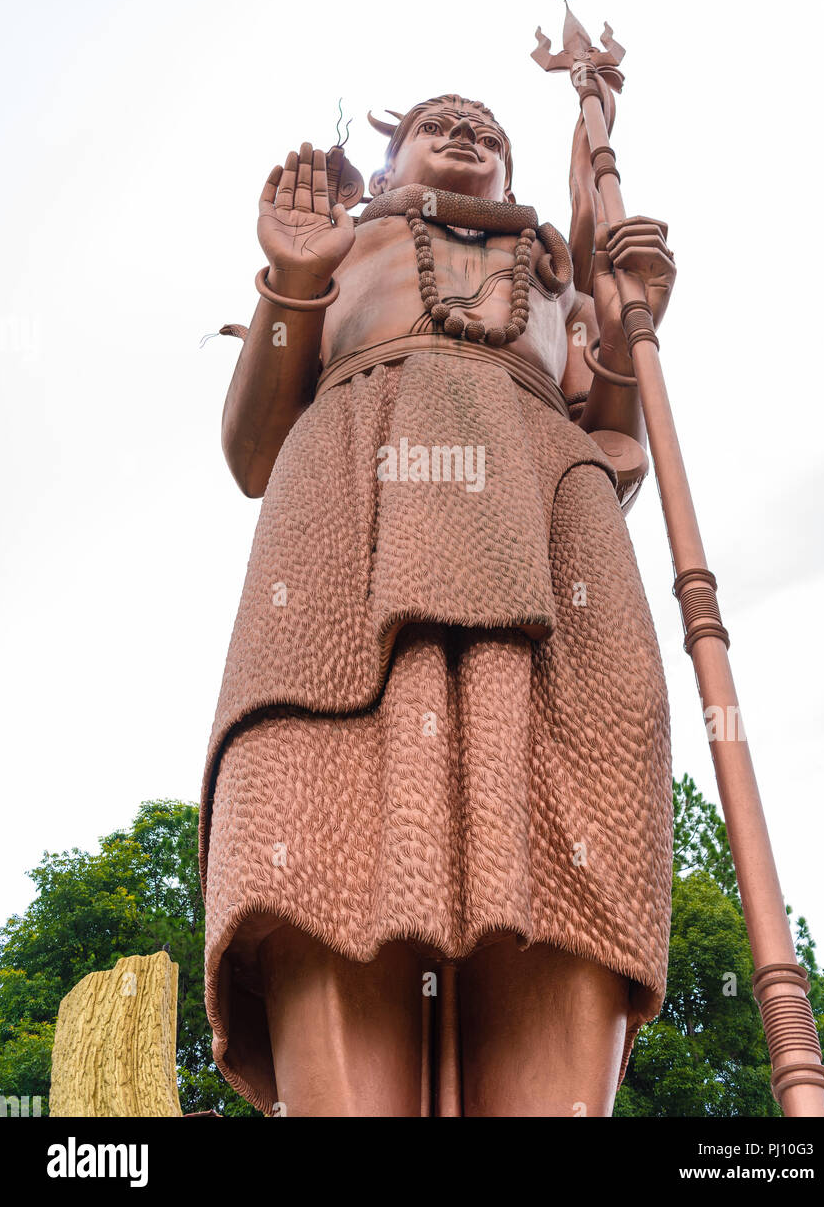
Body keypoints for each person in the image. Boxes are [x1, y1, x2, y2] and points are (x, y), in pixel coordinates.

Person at [200, 94, 677, 1116]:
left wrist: (631, 325)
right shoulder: (347, 249)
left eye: (489, 131)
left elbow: (619, 452)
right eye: (437, 122)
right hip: (349, 518)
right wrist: (293, 280)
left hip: (543, 531)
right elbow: (250, 451)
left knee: (578, 787)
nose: (467, 134)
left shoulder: (556, 284)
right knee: (317, 796)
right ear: (384, 167)